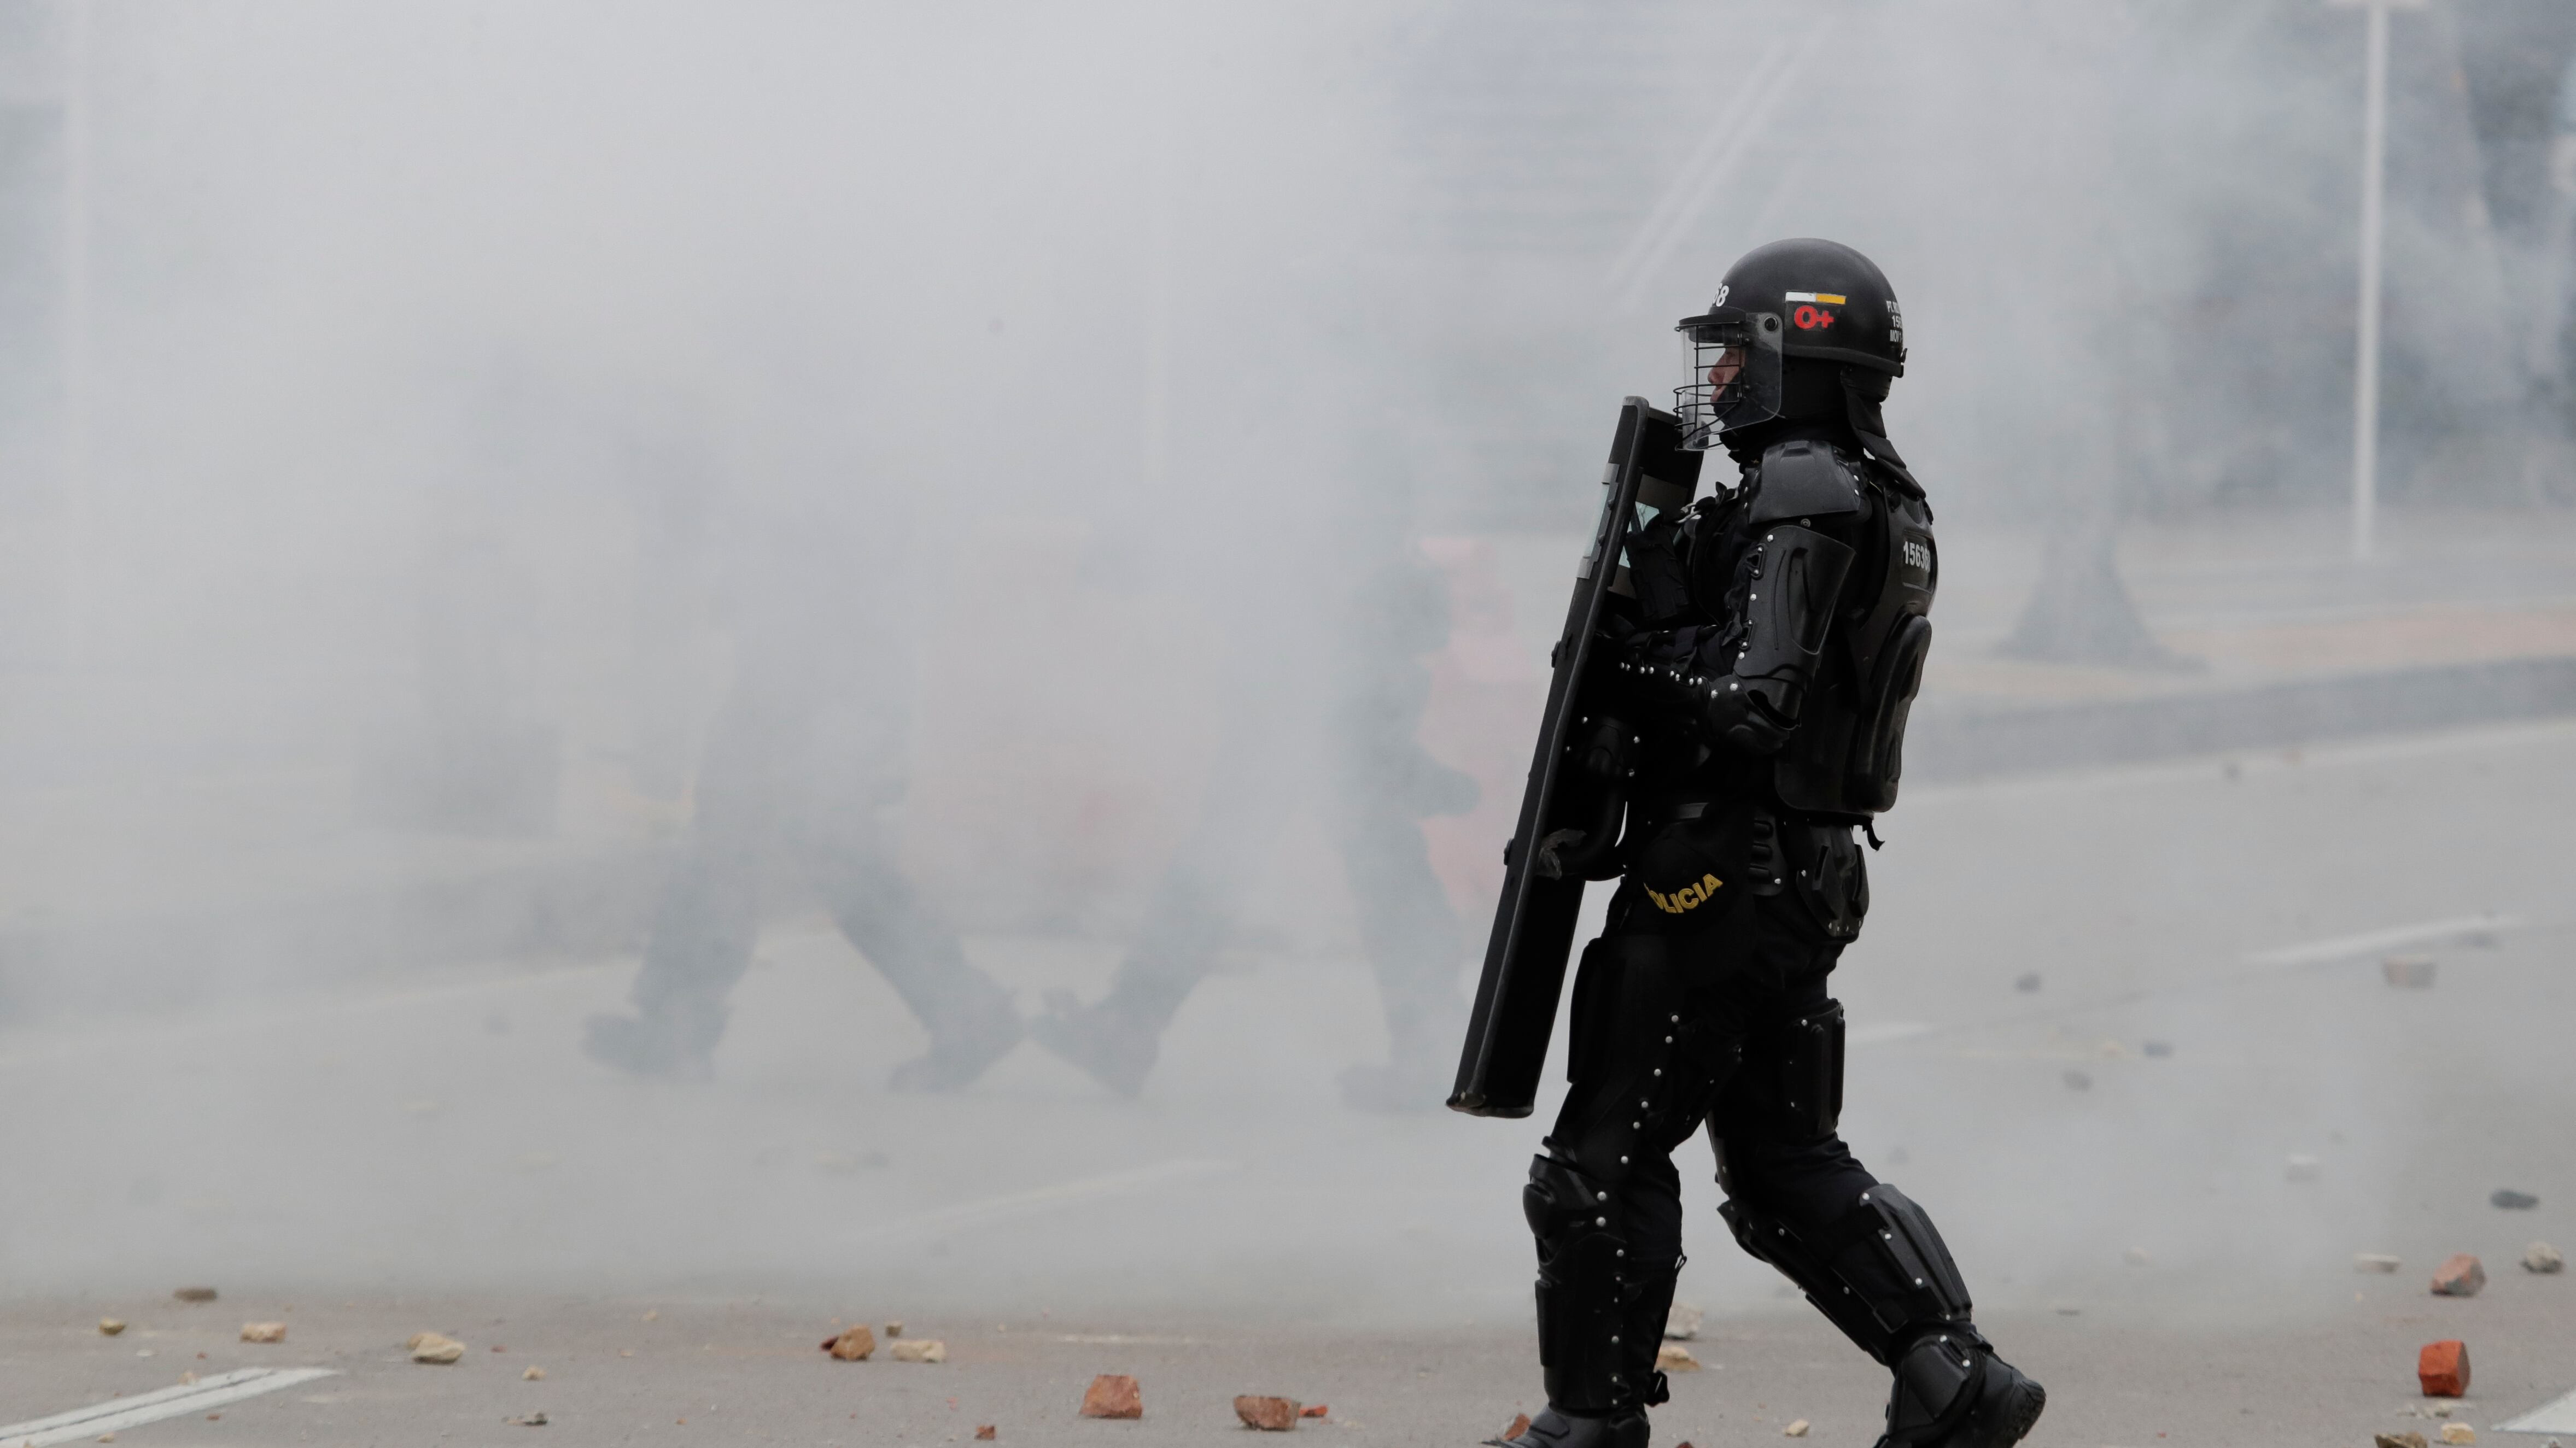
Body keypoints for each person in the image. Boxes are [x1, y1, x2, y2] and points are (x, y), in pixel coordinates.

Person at [1495, 239, 2045, 1448]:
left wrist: (1613, 662)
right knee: (1783, 1160)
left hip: (1715, 870)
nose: (1724, 375)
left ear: (1805, 355)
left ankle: (1585, 1425)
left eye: (1744, 351)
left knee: (1598, 1159)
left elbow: (1752, 700)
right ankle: (1955, 1374)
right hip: (1805, 871)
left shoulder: (1801, 482)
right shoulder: (1884, 499)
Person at [584, 453, 1022, 1093]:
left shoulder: (801, 444)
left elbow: (823, 556)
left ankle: (678, 1027)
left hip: (807, 676)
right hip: (816, 671)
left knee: (738, 847)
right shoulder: (797, 444)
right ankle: (964, 1011)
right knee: (806, 855)